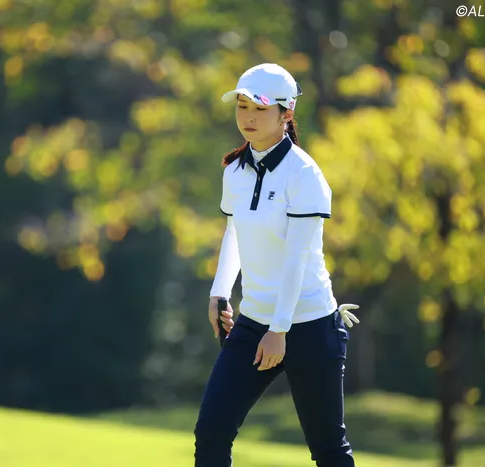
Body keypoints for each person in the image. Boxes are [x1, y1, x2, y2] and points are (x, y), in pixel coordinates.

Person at [193, 63, 361, 467]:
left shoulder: (304, 174)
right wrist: (219, 294)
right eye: (242, 106)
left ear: (286, 113)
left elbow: (296, 257)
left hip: (309, 326)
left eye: (260, 108)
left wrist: (279, 329)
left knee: (328, 450)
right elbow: (234, 233)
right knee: (211, 432)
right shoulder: (235, 170)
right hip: (254, 322)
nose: (247, 117)